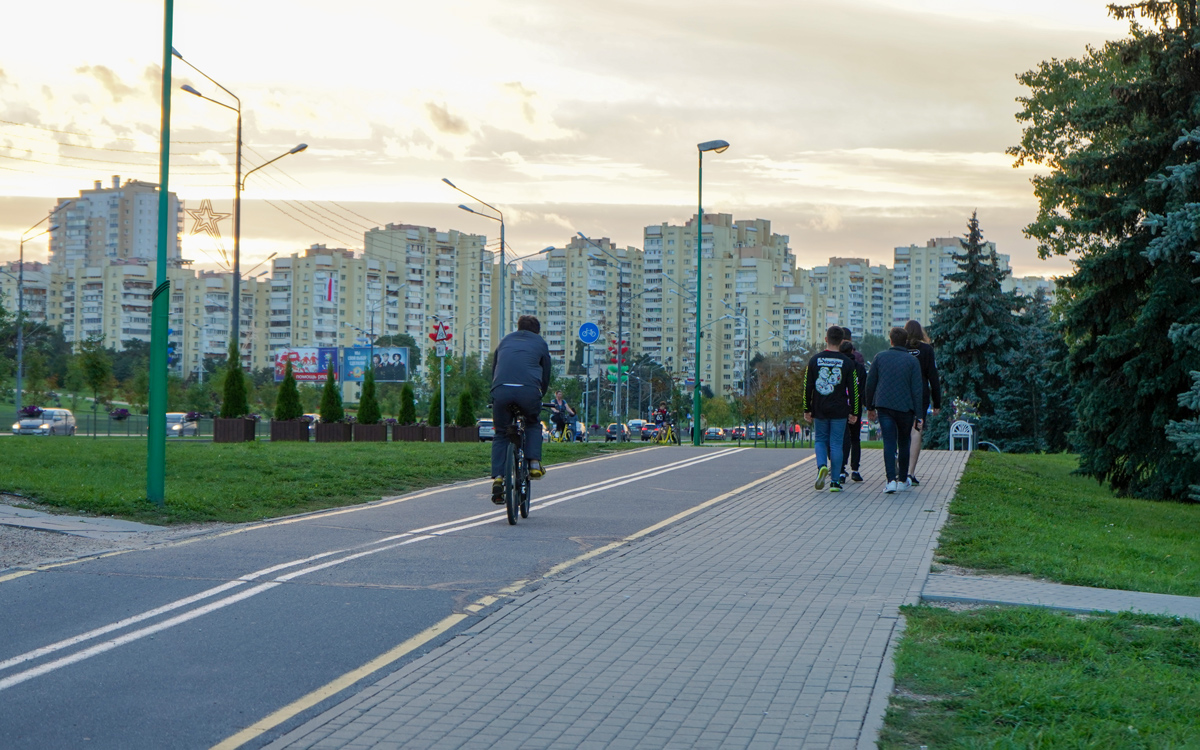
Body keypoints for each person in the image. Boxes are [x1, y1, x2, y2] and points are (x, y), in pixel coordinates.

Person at [489, 315, 552, 504]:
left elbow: (495, 369)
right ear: (537, 330)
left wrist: (496, 392)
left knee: (501, 433)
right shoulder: (540, 343)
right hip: (529, 391)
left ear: (518, 327)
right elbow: (546, 373)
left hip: (501, 389)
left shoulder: (505, 341)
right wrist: (540, 395)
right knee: (532, 423)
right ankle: (533, 463)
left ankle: (499, 477)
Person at [866, 327, 925, 494]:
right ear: (905, 341)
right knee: (904, 442)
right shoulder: (912, 361)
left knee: (889, 443)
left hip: (884, 406)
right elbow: (917, 389)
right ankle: (903, 479)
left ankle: (890, 480)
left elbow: (870, 384)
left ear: (890, 340)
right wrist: (919, 415)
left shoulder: (880, 358)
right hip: (906, 408)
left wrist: (869, 406)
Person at [802, 326, 861, 492]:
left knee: (820, 439)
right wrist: (855, 412)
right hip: (839, 409)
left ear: (826, 339)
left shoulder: (814, 360)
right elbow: (854, 390)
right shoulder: (848, 362)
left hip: (819, 407)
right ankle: (835, 481)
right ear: (842, 341)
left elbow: (808, 386)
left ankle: (821, 466)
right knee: (836, 443)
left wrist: (807, 408)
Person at [904, 320, 941, 486]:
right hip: (920, 395)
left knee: (901, 430)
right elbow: (933, 377)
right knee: (916, 430)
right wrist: (937, 403)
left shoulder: (900, 348)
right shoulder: (927, 349)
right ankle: (910, 472)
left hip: (901, 395)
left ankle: (900, 465)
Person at [838, 328, 868, 483]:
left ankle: (841, 470)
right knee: (855, 439)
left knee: (842, 439)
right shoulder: (860, 367)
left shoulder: (838, 366)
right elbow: (863, 389)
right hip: (855, 407)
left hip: (841, 407)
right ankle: (855, 469)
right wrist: (863, 407)